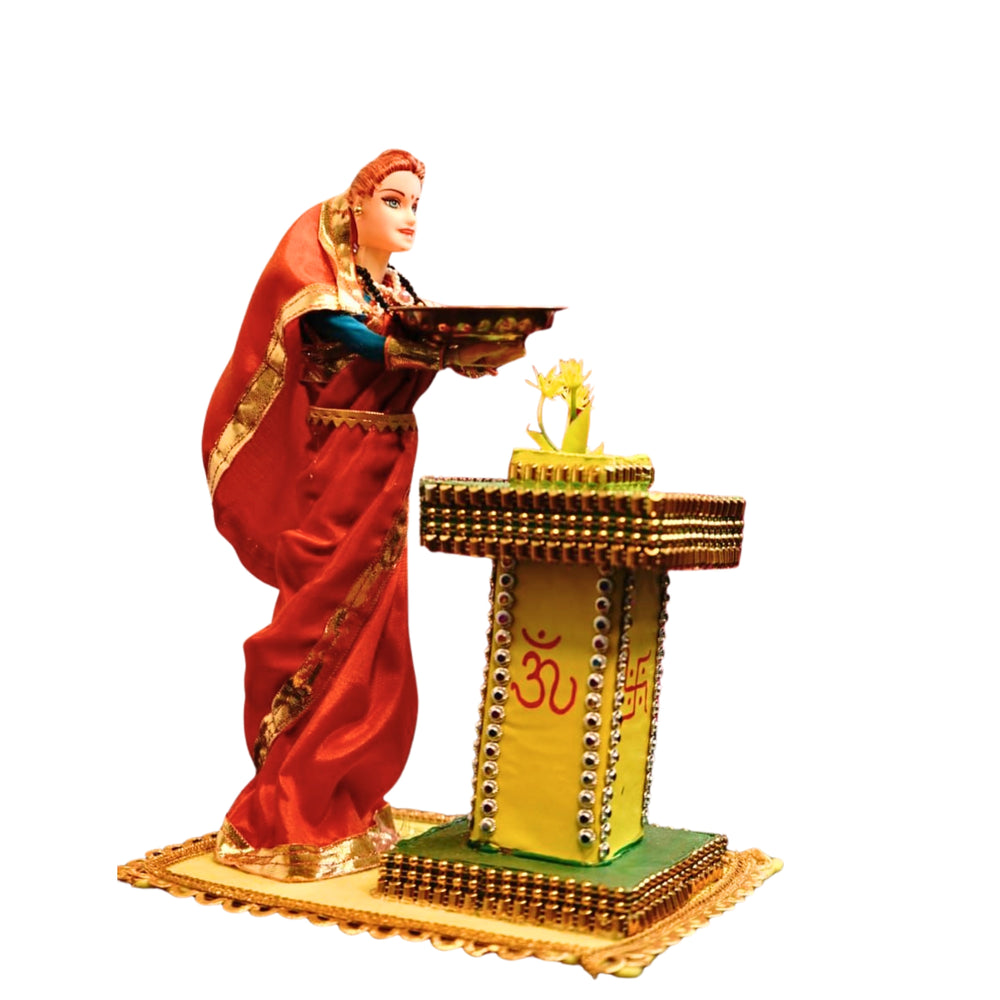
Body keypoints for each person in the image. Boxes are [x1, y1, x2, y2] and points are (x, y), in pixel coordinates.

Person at [202, 150, 520, 880]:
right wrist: (431, 351)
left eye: (416, 205)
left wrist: (464, 353)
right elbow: (360, 341)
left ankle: (346, 795)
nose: (409, 217)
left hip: (389, 464)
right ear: (357, 208)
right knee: (322, 616)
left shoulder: (399, 291)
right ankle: (286, 809)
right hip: (340, 470)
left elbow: (417, 345)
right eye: (395, 202)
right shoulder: (326, 293)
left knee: (379, 635)